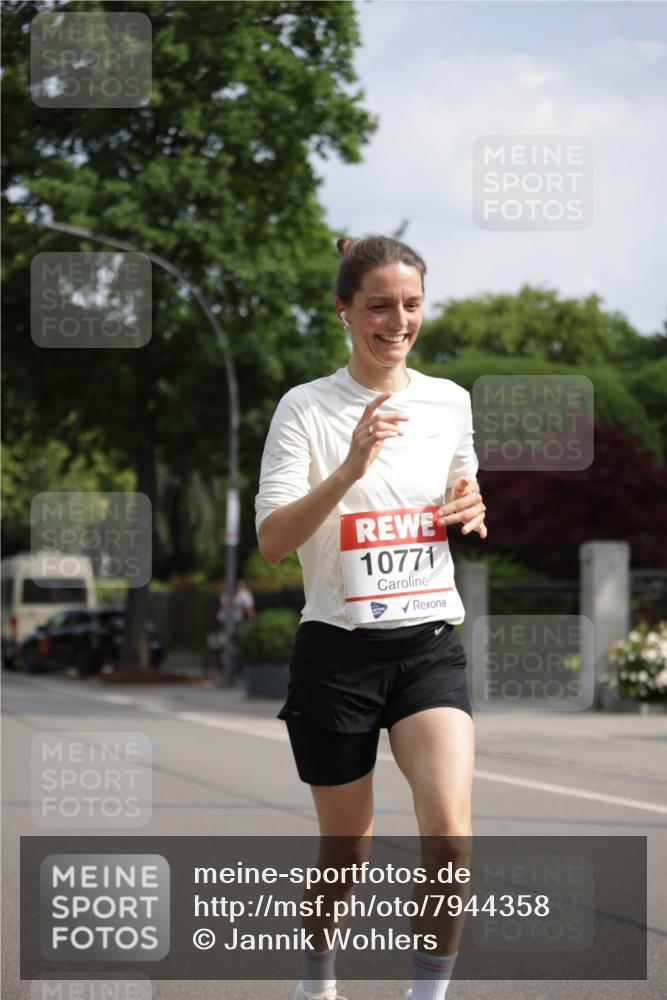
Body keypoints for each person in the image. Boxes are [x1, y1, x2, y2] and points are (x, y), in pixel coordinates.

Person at [255, 235, 487, 1000]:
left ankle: (426, 995)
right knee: (346, 847)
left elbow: (460, 492)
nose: (397, 321)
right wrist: (349, 468)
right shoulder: (306, 408)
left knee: (449, 834)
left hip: (427, 646)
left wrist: (470, 507)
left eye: (411, 304)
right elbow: (271, 543)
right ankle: (316, 980)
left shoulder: (449, 401)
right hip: (337, 654)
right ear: (344, 311)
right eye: (380, 306)